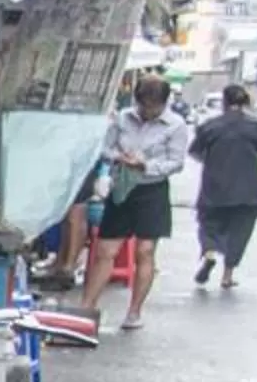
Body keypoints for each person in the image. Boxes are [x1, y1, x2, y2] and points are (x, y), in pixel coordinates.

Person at [79, 74, 190, 329]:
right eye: (143, 106)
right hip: (122, 188)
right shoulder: (123, 118)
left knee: (145, 250)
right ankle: (87, 306)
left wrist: (146, 165)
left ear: (163, 103)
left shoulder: (175, 125)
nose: (147, 111)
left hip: (152, 190)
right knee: (106, 251)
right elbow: (104, 149)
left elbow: (176, 162)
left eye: (153, 107)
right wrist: (118, 157)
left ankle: (134, 311)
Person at [188, 83, 257, 290]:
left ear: (224, 102)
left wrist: (213, 160)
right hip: (250, 188)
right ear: (246, 102)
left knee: (208, 222)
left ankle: (209, 252)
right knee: (240, 230)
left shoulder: (210, 126)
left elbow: (194, 152)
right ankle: (227, 275)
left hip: (215, 185)